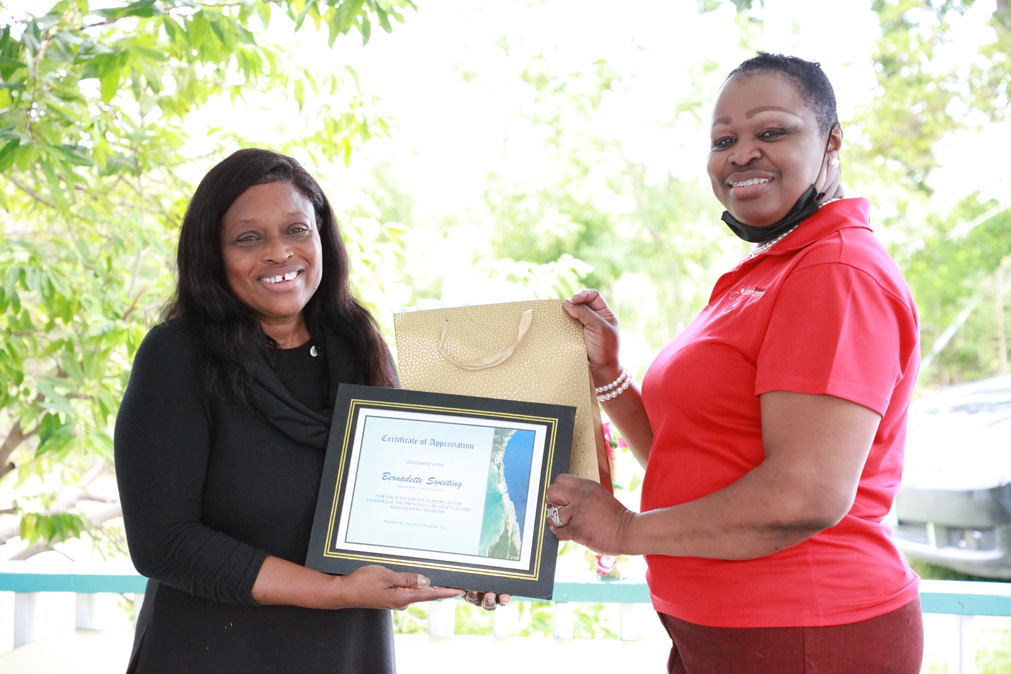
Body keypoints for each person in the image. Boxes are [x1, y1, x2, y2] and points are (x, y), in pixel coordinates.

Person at [547, 53, 923, 673]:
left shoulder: (836, 270)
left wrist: (624, 531)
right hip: (725, 630)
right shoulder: (770, 272)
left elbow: (804, 495)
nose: (742, 154)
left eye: (771, 131)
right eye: (724, 140)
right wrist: (609, 377)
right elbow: (694, 455)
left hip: (805, 631)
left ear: (832, 143)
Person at [114, 149, 503, 674]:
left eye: (296, 229)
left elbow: (407, 496)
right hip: (212, 653)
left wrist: (472, 562)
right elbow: (164, 543)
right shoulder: (176, 356)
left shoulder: (359, 346)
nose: (279, 253)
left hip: (345, 652)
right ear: (212, 253)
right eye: (249, 238)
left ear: (322, 236)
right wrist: (335, 591)